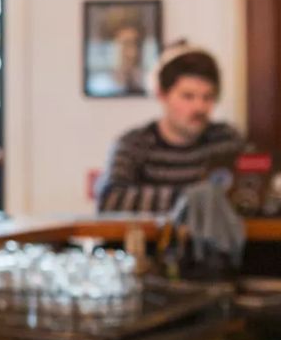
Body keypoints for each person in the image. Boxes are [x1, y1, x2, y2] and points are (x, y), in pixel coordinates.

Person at [96, 42, 245, 213]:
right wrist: (197, 199)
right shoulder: (134, 143)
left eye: (208, 97)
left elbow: (245, 198)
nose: (200, 107)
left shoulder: (226, 140)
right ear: (162, 94)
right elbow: (110, 200)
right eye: (188, 96)